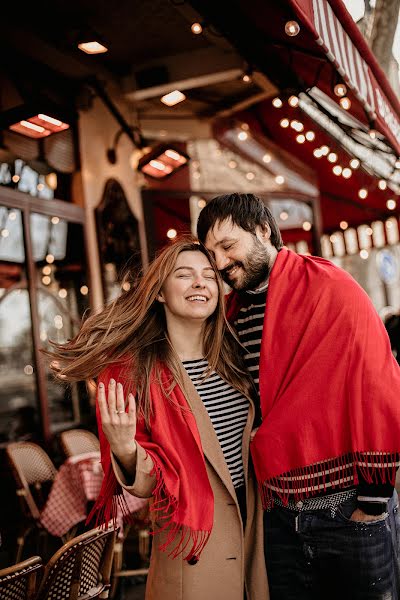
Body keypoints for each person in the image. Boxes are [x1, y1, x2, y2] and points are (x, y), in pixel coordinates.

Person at [197, 193, 400, 600]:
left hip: (347, 511)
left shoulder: (331, 288)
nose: (219, 263)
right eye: (210, 253)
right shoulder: (229, 315)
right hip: (278, 514)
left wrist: (372, 503)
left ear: (262, 230)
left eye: (227, 246)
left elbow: (376, 383)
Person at [48, 237, 268, 600]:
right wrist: (124, 448)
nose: (199, 283)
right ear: (161, 293)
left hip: (254, 536)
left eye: (208, 276)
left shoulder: (234, 359)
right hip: (195, 545)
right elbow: (148, 485)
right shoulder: (135, 371)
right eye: (184, 275)